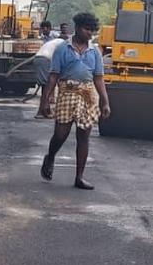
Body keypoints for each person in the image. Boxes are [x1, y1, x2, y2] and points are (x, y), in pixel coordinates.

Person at [40, 12, 111, 190]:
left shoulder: (95, 52)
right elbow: (53, 76)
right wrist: (46, 101)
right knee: (60, 135)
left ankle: (79, 177)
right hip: (67, 93)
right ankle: (50, 157)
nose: (90, 34)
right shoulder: (63, 49)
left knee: (84, 136)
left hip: (87, 95)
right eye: (87, 30)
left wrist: (105, 102)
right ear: (78, 28)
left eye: (93, 31)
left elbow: (99, 78)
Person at [33, 35, 68, 119]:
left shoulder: (55, 42)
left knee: (45, 87)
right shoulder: (63, 44)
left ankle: (46, 111)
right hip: (45, 60)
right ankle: (41, 112)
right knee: (47, 87)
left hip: (39, 59)